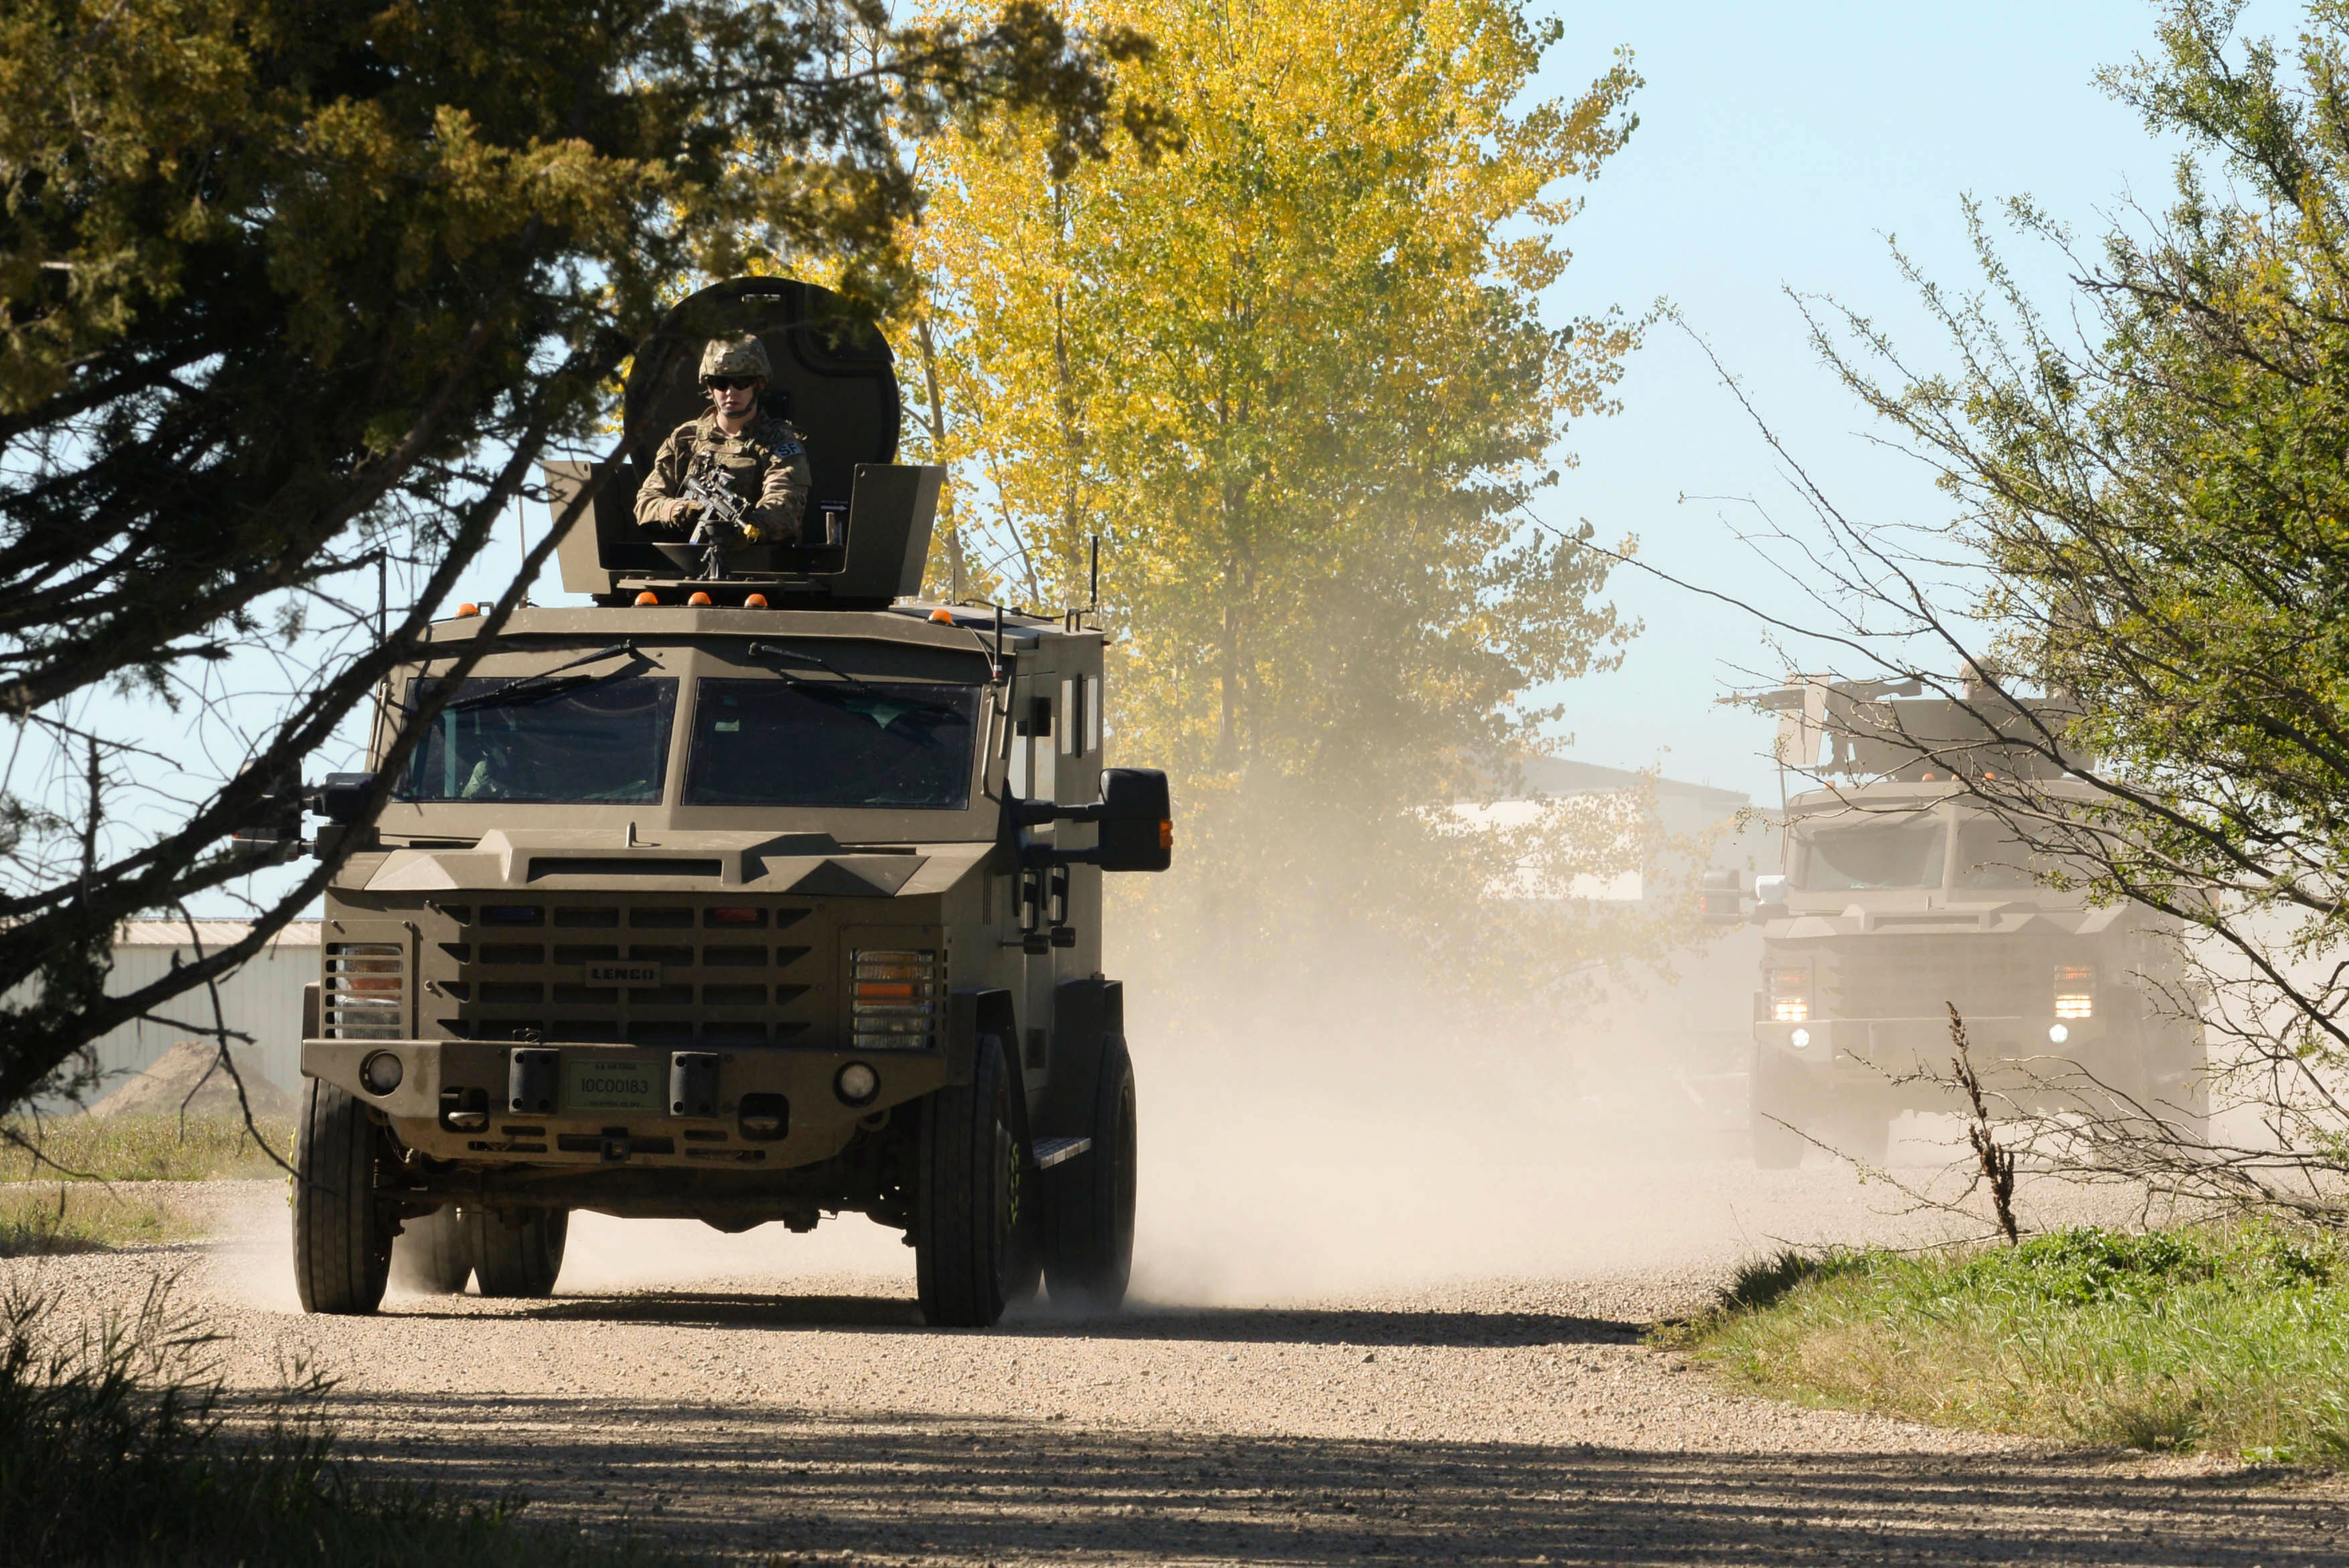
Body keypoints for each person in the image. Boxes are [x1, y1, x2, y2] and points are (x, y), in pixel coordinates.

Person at [633, 335, 814, 546]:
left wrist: (742, 527)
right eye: (720, 383)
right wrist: (680, 510)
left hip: (757, 564)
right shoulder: (686, 439)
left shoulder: (779, 442)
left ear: (759, 384)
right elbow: (646, 503)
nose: (730, 392)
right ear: (709, 387)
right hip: (686, 565)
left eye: (741, 382)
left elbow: (784, 506)